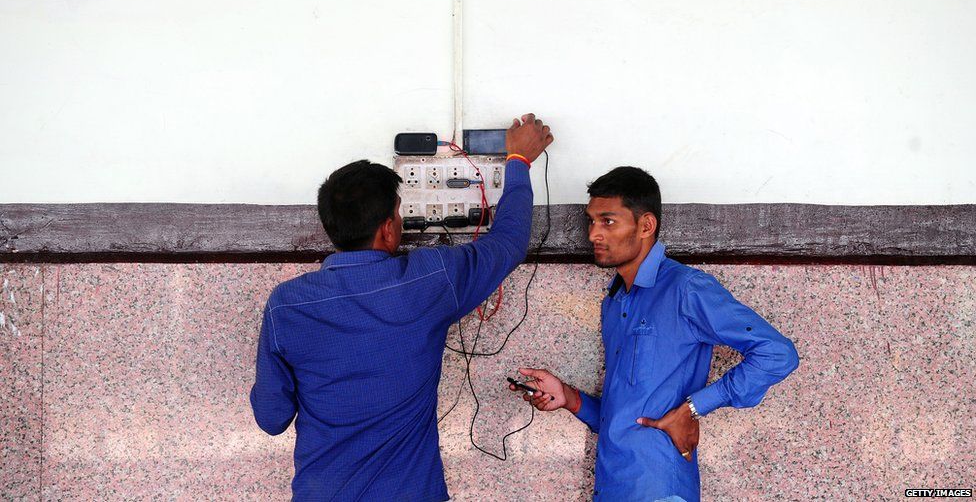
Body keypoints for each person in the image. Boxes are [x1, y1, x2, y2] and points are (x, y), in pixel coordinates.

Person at [250, 114, 553, 501]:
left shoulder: (285, 305)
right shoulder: (429, 280)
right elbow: (508, 243)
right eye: (397, 212)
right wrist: (519, 161)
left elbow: (271, 419)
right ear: (387, 229)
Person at [510, 166, 799, 502]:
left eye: (608, 221)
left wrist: (694, 408)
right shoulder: (614, 302)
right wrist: (569, 398)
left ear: (646, 225)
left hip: (660, 489)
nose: (593, 235)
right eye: (591, 221)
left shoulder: (686, 289)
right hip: (611, 488)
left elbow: (777, 353)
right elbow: (627, 416)